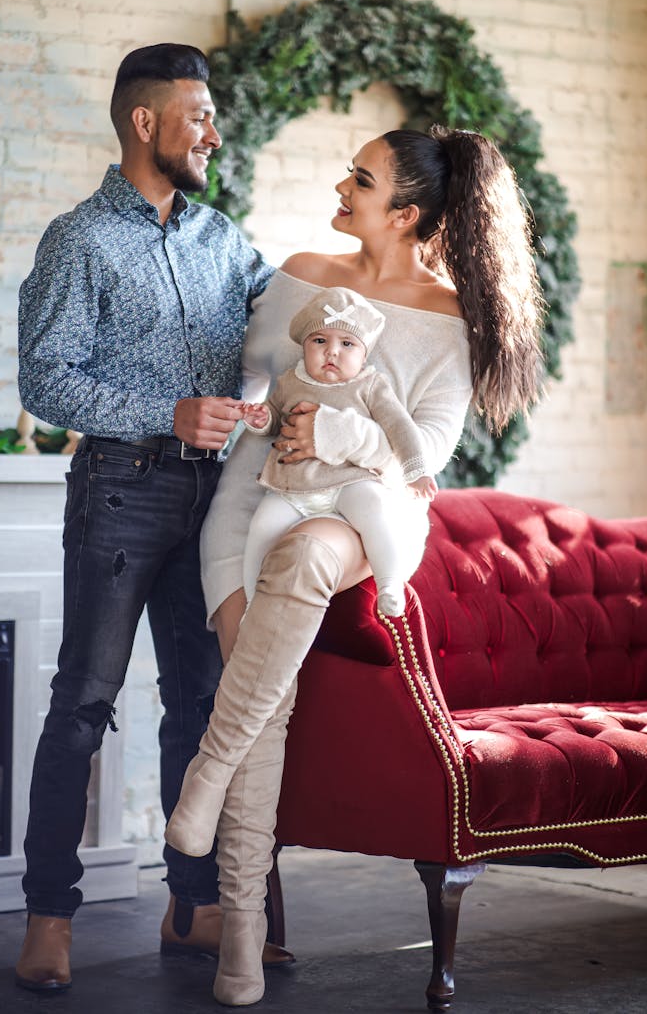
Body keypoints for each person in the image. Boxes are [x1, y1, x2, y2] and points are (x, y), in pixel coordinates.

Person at [166, 125, 545, 1006]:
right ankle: (242, 945)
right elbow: (250, 404)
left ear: (405, 212)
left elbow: (425, 459)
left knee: (304, 559)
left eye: (362, 179)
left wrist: (332, 431)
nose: (342, 186)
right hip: (259, 501)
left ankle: (205, 773)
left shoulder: (450, 317)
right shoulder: (298, 273)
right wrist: (243, 448)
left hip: (368, 519)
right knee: (264, 689)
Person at [14, 43, 294, 992]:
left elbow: (284, 330)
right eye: (198, 115)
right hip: (119, 492)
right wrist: (163, 411)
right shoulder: (79, 239)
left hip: (218, 500)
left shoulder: (226, 240)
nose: (215, 132)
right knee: (83, 706)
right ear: (146, 123)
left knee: (203, 707)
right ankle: (49, 914)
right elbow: (45, 378)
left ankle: (193, 906)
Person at [239, 285, 438, 616]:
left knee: (375, 509)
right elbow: (274, 418)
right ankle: (251, 603)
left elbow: (401, 428)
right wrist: (261, 419)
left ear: (364, 354)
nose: (332, 352)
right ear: (304, 347)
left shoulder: (370, 385)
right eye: (320, 341)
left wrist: (417, 471)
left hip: (349, 481)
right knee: (261, 530)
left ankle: (390, 584)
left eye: (347, 344)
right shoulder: (291, 381)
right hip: (292, 486)